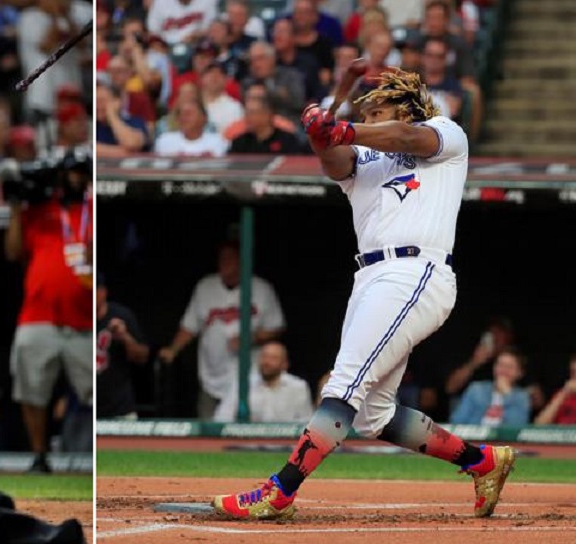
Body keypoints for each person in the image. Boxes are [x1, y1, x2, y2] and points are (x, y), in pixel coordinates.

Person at [212, 68, 514, 520]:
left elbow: (405, 138)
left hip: (416, 271)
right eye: (364, 112)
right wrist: (319, 133)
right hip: (371, 276)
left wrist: (345, 127)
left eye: (378, 110)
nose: (369, 117)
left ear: (405, 108)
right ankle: (482, 462)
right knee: (373, 415)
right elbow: (335, 160)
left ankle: (280, 491)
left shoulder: (444, 133)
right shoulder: (365, 160)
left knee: (344, 384)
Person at [5, 150, 92, 473]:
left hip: (83, 320)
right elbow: (13, 251)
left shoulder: (93, 208)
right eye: (71, 172)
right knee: (32, 390)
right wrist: (15, 208)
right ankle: (40, 455)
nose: (76, 177)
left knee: (96, 390)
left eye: (82, 172)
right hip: (37, 315)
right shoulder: (40, 209)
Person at [158, 241, 286, 419]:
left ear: (242, 262)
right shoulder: (205, 287)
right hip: (212, 378)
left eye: (230, 258)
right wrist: (173, 350)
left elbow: (276, 327)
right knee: (208, 435)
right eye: (222, 258)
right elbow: (189, 326)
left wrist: (252, 338)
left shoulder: (261, 289)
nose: (224, 263)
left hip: (251, 379)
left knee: (248, 434)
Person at [214, 340, 313, 423]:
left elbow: (306, 423)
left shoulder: (298, 387)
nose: (267, 362)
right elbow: (222, 418)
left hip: (284, 445)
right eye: (264, 356)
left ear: (285, 364)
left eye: (273, 358)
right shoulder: (242, 384)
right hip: (247, 444)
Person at [96, 273, 150, 420]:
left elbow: (142, 357)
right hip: (88, 410)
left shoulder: (121, 315)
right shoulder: (78, 319)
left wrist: (124, 337)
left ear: (103, 292)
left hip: (120, 410)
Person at [449, 347, 530, 426]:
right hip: (473, 438)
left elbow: (516, 427)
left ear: (519, 373)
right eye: (500, 365)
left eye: (509, 367)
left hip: (503, 439)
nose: (504, 370)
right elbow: (457, 421)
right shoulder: (476, 389)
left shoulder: (522, 397)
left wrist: (508, 395)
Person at [535, 354, 576, 425]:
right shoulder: (563, 394)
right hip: (562, 435)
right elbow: (539, 425)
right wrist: (563, 394)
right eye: (573, 373)